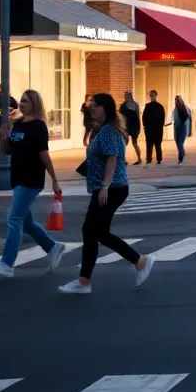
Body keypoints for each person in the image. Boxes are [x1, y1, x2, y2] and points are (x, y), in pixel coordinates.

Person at [57, 93, 153, 294]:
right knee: (95, 232)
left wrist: (105, 187)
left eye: (95, 106)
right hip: (108, 188)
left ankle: (136, 261)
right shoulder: (103, 130)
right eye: (90, 105)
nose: (91, 108)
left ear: (105, 109)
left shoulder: (109, 131)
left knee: (93, 231)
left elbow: (112, 159)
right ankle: (87, 280)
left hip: (112, 188)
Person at [0, 90, 67, 277]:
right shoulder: (18, 124)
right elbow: (8, 150)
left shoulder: (38, 127)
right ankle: (53, 247)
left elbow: (44, 155)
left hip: (31, 179)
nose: (21, 104)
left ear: (34, 105)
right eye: (21, 101)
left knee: (14, 218)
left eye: (26, 101)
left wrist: (54, 179)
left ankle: (6, 263)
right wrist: (4, 135)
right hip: (18, 177)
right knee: (26, 222)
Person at [142, 90, 166, 165]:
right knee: (149, 145)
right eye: (151, 95)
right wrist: (145, 126)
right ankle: (149, 159)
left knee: (158, 144)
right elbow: (144, 117)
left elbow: (162, 118)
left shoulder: (160, 106)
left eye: (153, 95)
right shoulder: (148, 106)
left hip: (157, 129)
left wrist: (161, 127)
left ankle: (159, 159)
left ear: (156, 96)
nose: (152, 97)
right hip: (149, 129)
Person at [120, 90, 142, 166]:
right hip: (126, 127)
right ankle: (123, 159)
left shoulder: (135, 105)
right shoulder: (123, 105)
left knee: (134, 143)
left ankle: (139, 159)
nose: (125, 97)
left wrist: (139, 127)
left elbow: (138, 116)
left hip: (133, 126)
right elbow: (120, 117)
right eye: (125, 95)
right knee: (123, 143)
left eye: (126, 95)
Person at [172, 96, 192, 165]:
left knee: (179, 143)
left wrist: (176, 125)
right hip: (184, 128)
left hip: (179, 128)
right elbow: (189, 118)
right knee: (181, 143)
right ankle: (181, 155)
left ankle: (181, 157)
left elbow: (177, 119)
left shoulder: (178, 108)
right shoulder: (186, 107)